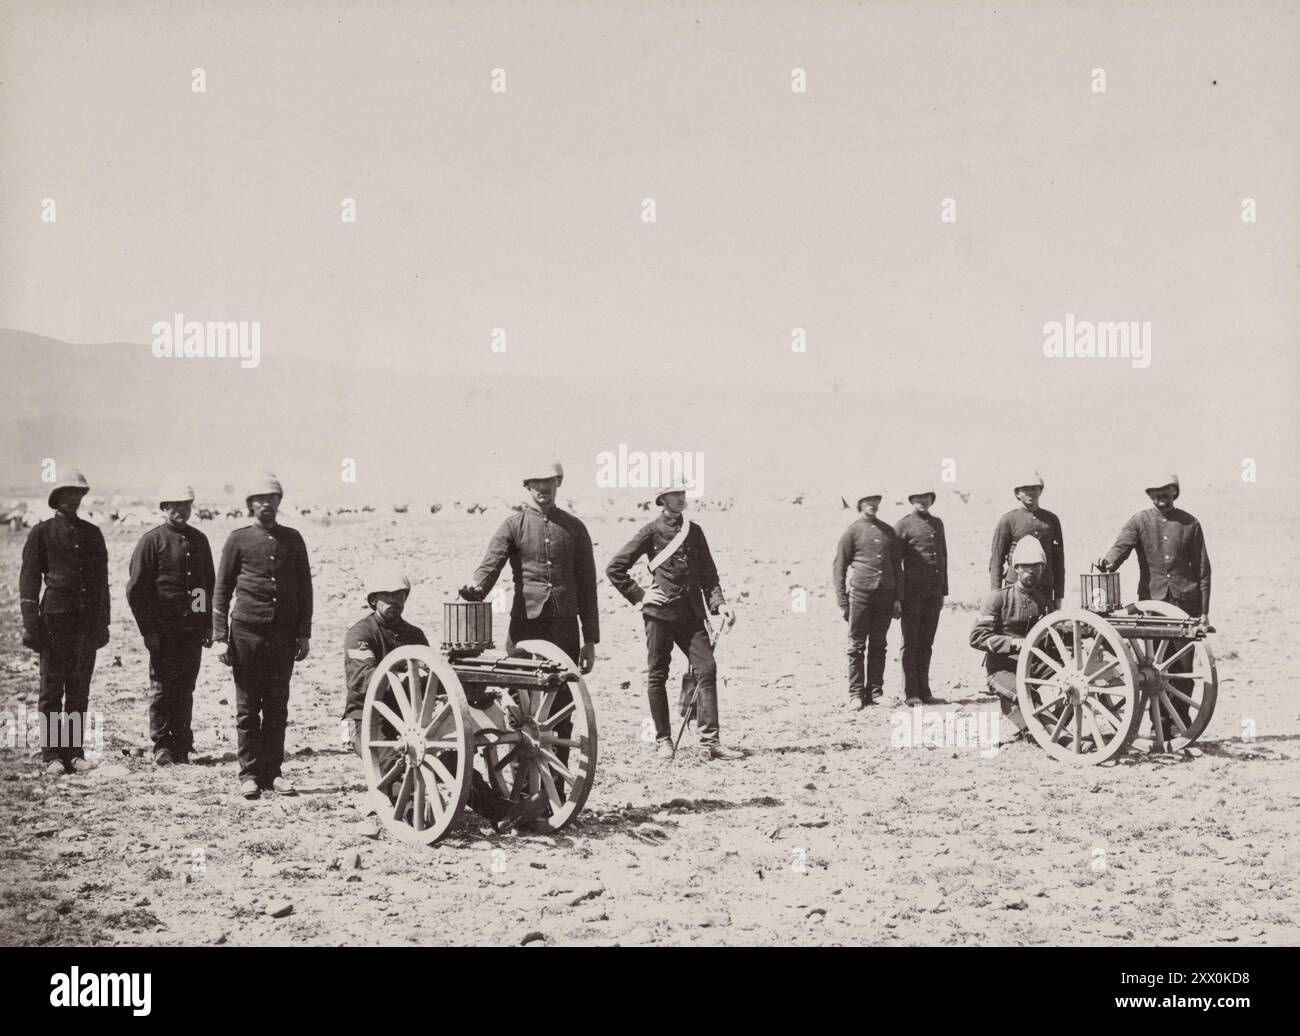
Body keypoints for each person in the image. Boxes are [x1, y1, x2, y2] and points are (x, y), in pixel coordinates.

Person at [606, 480, 740, 761]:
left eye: (682, 493)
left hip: (692, 616)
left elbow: (709, 575)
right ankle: (664, 740)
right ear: (662, 500)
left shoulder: (695, 532)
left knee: (707, 669)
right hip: (660, 616)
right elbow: (615, 568)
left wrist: (719, 605)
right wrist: (641, 596)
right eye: (674, 494)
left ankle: (710, 742)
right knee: (657, 675)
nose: (681, 498)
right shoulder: (651, 532)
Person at [212, 471, 312, 799]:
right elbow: (222, 590)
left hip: (283, 637)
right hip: (246, 634)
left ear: (279, 502)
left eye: (271, 498)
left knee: (277, 705)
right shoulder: (237, 540)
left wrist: (303, 633)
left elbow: (304, 590)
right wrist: (220, 637)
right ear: (250, 504)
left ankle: (274, 773)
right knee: (246, 706)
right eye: (259, 499)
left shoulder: (293, 539)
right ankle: (249, 774)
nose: (265, 504)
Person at [19, 468, 109, 775]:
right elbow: (29, 581)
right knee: (52, 689)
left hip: (86, 624)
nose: (73, 499)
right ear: (57, 497)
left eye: (78, 493)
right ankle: (52, 755)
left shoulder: (92, 534)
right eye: (67, 493)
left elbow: (101, 584)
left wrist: (103, 624)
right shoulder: (41, 533)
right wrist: (31, 624)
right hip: (54, 623)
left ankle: (74, 753)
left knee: (79, 689)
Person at [126, 476, 215, 766]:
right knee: (163, 687)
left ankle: (182, 744)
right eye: (175, 505)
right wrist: (148, 629)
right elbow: (138, 590)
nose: (181, 510)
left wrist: (203, 623)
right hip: (163, 632)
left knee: (185, 687)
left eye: (186, 505)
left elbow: (203, 586)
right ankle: (162, 745)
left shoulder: (199, 541)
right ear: (164, 508)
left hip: (190, 631)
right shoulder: (151, 541)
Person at [341, 560, 429, 756]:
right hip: (361, 717)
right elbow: (363, 677)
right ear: (373, 600)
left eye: (400, 595)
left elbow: (429, 673)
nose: (395, 601)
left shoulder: (415, 635)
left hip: (406, 719)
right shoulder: (360, 634)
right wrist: (402, 680)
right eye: (387, 595)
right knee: (394, 773)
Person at [1096, 474, 1211, 622]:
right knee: (1155, 645)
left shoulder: (1190, 523)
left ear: (1175, 492)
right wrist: (1109, 562)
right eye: (1155, 490)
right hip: (1152, 601)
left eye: (1166, 489)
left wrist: (1204, 612)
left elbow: (1202, 570)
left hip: (1185, 602)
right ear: (1149, 494)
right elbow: (1120, 547)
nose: (1161, 494)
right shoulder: (1139, 521)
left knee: (1184, 645)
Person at [970, 536, 1053, 738]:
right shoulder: (998, 598)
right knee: (1027, 695)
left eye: (1037, 567)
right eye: (1026, 567)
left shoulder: (1043, 602)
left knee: (1071, 682)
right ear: (1016, 568)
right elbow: (977, 636)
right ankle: (1060, 737)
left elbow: (1054, 636)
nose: (1032, 571)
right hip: (1001, 669)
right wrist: (1012, 643)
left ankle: (1038, 730)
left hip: (1031, 667)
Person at [833, 490, 903, 709]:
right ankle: (855, 693)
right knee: (856, 645)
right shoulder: (852, 531)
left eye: (876, 500)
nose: (872, 504)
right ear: (859, 504)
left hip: (885, 595)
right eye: (867, 501)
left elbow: (897, 567)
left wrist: (897, 598)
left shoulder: (888, 531)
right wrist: (843, 602)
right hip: (860, 595)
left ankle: (875, 692)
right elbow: (839, 568)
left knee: (879, 644)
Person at [894, 486, 948, 706]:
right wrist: (897, 597)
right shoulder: (903, 525)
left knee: (927, 642)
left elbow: (944, 558)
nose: (922, 500)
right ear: (911, 499)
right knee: (911, 642)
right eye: (917, 497)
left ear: (931, 499)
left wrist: (943, 591)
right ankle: (911, 693)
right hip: (911, 595)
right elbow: (895, 564)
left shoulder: (938, 523)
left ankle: (925, 692)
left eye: (926, 497)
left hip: (933, 594)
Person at [988, 471, 1065, 611]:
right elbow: (996, 561)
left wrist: (1059, 596)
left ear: (1040, 491)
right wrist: (995, 595)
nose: (1031, 493)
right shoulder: (1008, 520)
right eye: (1025, 489)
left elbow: (1059, 562)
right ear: (1017, 493)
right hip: (1016, 589)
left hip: (1044, 589)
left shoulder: (1051, 520)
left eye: (1035, 488)